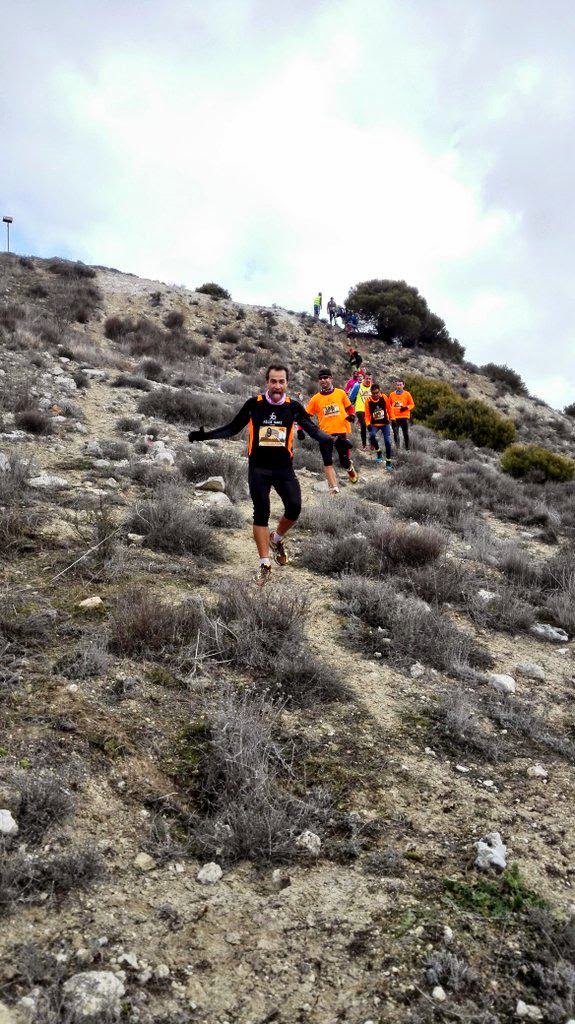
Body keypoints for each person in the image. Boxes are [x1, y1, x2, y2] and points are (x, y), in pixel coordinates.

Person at [188, 364, 333, 585]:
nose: (277, 386)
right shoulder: (254, 405)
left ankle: (277, 538)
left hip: (284, 469)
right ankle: (264, 563)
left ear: (287, 383)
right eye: (273, 381)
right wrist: (204, 436)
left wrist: (334, 440)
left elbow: (313, 430)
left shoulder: (293, 407)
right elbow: (232, 428)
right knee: (261, 513)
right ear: (267, 382)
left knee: (294, 508)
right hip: (259, 469)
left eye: (281, 381)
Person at [304, 369, 359, 494]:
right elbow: (305, 416)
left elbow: (349, 407)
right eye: (321, 378)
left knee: (344, 462)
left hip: (341, 432)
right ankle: (334, 488)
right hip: (324, 434)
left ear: (331, 379)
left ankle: (350, 469)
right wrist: (301, 429)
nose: (323, 380)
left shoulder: (340, 393)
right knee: (327, 462)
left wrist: (352, 415)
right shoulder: (315, 399)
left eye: (326, 377)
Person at [364, 383, 394, 471]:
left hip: (385, 423)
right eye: (374, 393)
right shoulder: (368, 401)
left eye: (377, 393)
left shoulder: (384, 397)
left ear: (380, 391)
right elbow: (366, 415)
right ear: (371, 393)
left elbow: (389, 409)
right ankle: (379, 452)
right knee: (371, 436)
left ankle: (388, 462)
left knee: (387, 441)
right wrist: (368, 424)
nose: (376, 395)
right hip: (374, 424)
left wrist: (393, 419)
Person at [389, 378, 415, 449]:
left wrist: (406, 408)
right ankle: (398, 448)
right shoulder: (392, 394)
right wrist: (389, 415)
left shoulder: (407, 394)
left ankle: (407, 449)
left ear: (403, 385)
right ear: (396, 385)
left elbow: (412, 404)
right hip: (394, 417)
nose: (399, 386)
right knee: (395, 433)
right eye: (397, 385)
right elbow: (388, 406)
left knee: (405, 434)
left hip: (404, 417)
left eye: (400, 385)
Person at [350, 371, 373, 450]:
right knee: (363, 425)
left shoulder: (373, 387)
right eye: (367, 378)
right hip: (360, 409)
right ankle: (364, 445)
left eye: (370, 379)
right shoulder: (357, 386)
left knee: (371, 426)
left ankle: (371, 444)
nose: (368, 380)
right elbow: (351, 397)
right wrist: (351, 402)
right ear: (364, 378)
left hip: (370, 410)